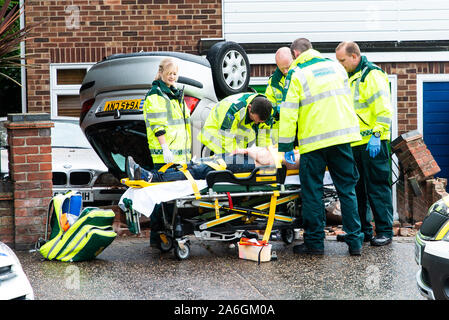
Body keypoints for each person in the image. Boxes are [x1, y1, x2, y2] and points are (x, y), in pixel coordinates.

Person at [278, 37, 364, 256]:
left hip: (314, 143)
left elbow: (289, 112)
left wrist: (286, 145)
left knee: (313, 193)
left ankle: (315, 243)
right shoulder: (336, 67)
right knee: (347, 190)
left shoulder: (297, 74)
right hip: (342, 139)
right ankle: (355, 242)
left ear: (295, 54)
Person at [335, 41, 394, 247]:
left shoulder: (372, 75)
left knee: (377, 187)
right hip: (354, 142)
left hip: (373, 142)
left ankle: (385, 231)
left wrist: (377, 134)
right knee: (357, 188)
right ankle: (362, 231)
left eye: (342, 60)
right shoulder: (349, 77)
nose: (340, 64)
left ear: (354, 56)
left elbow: (384, 109)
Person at [126, 147, 299, 182]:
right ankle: (148, 173)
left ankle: (150, 176)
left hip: (249, 165)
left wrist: (249, 151)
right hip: (244, 160)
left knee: (199, 170)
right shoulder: (301, 148)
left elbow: (269, 161)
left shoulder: (304, 157)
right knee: (196, 164)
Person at [143, 57, 191, 170]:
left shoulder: (174, 94)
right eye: (169, 73)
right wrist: (165, 149)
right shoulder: (156, 94)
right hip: (165, 158)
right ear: (161, 73)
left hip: (179, 158)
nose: (172, 77)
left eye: (174, 73)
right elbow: (157, 124)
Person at [198, 92, 274, 155]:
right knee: (225, 164)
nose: (256, 123)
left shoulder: (267, 111)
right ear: (249, 108)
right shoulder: (233, 109)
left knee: (239, 163)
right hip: (217, 135)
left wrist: (265, 154)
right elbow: (226, 137)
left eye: (260, 122)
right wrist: (238, 154)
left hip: (235, 138)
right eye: (255, 120)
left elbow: (264, 138)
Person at [263, 47, 294, 145]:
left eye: (288, 67)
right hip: (281, 134)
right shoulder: (273, 82)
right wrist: (276, 111)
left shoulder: (301, 75)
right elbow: (268, 109)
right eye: (282, 69)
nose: (285, 71)